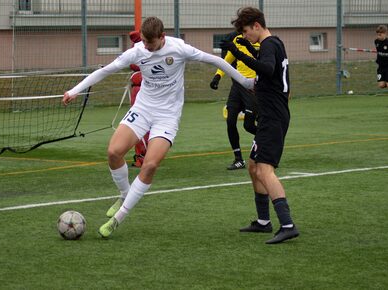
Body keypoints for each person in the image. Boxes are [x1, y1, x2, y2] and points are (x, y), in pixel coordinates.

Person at [63, 16, 255, 238]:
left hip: (168, 116)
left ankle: (118, 218)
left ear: (162, 38)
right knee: (113, 152)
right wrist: (75, 90)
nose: (145, 46)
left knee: (150, 165)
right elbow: (106, 70)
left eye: (149, 43)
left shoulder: (179, 49)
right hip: (143, 109)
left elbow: (216, 61)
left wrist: (247, 82)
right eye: (143, 41)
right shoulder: (138, 51)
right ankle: (125, 194)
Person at [220, 7, 299, 244]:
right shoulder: (273, 44)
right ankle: (264, 221)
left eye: (245, 31)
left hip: (274, 117)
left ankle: (288, 224)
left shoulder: (269, 45)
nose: (245, 36)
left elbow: (266, 68)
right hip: (269, 115)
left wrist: (237, 52)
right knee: (253, 167)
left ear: (256, 25)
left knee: (265, 170)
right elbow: (267, 76)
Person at [210, 31, 259, 170]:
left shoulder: (262, 41)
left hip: (253, 87)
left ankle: (269, 143)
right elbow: (228, 60)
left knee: (249, 126)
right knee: (230, 121)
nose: (244, 33)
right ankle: (238, 159)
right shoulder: (238, 39)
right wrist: (217, 76)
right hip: (237, 86)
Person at [128, 30, 149, 168]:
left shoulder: (139, 50)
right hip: (141, 89)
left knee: (139, 124)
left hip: (141, 91)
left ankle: (143, 157)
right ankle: (145, 155)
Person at [375, 25, 388, 89]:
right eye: (377, 35)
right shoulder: (376, 41)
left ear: (385, 33)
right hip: (381, 66)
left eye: (380, 35)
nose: (378, 36)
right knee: (381, 85)